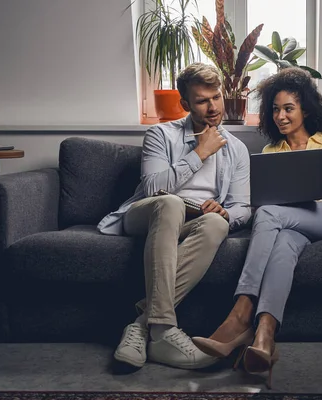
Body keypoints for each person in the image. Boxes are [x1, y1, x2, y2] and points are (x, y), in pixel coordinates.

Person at [191, 67, 322, 386]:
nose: (281, 116)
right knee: (283, 243)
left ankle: (240, 313)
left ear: (305, 110)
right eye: (275, 109)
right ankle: (264, 337)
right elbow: (262, 202)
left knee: (272, 215)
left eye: (288, 108)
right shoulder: (272, 153)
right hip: (294, 221)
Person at [97, 63, 251, 370]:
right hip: (149, 213)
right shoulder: (161, 134)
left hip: (195, 220)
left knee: (217, 223)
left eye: (216, 98)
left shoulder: (236, 149)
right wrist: (199, 153)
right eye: (202, 101)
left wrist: (225, 211)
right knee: (170, 204)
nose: (213, 107)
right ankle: (165, 328)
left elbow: (243, 207)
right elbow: (152, 188)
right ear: (185, 104)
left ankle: (143, 327)